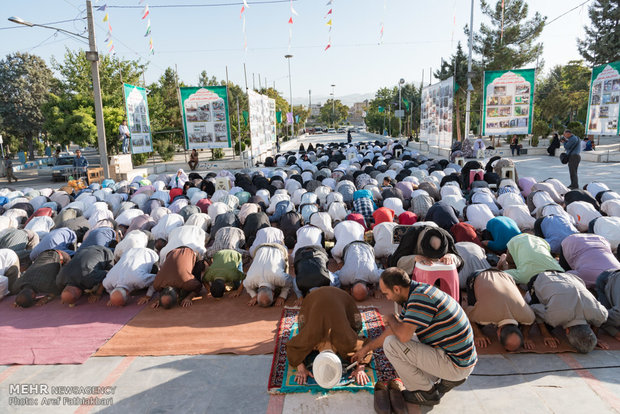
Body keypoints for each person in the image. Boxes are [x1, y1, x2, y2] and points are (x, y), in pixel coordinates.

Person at [352, 268, 476, 406]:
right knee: (399, 337)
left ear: (397, 289)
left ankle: (425, 393)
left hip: (455, 364)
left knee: (392, 345)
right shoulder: (417, 292)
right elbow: (395, 330)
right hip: (460, 359)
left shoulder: (419, 299)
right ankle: (444, 378)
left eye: (387, 293)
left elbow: (402, 336)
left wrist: (391, 319)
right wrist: (366, 349)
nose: (387, 298)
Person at [286, 286, 372, 386]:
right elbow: (367, 346)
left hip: (332, 296)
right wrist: (360, 368)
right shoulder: (345, 342)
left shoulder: (345, 341)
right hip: (317, 296)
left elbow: (291, 348)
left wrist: (301, 368)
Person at [528, 271, 608, 353]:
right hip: (541, 278)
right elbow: (534, 308)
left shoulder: (600, 315)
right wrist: (545, 334)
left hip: (569, 276)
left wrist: (593, 336)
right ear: (567, 331)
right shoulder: (554, 318)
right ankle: (528, 295)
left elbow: (599, 321)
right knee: (548, 326)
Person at [464, 269, 536, 351]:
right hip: (478, 275)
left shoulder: (527, 316)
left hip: (505, 275)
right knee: (478, 324)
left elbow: (531, 320)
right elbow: (465, 314)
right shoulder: (484, 317)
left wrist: (525, 336)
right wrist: (477, 334)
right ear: (498, 333)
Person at [140, 247, 205, 309]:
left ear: (177, 296)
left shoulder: (186, 282)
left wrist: (189, 297)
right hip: (172, 252)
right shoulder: (157, 285)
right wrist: (160, 300)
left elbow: (198, 286)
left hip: (190, 252)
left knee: (197, 276)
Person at [499, 234, 563, 285]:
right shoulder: (560, 273)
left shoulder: (525, 276)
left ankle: (504, 259)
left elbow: (498, 275)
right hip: (530, 240)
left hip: (537, 241)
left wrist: (503, 263)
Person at [596, 270, 620, 341]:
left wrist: (614, 332)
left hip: (610, 276)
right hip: (605, 280)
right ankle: (591, 316)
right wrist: (615, 333)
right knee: (616, 317)